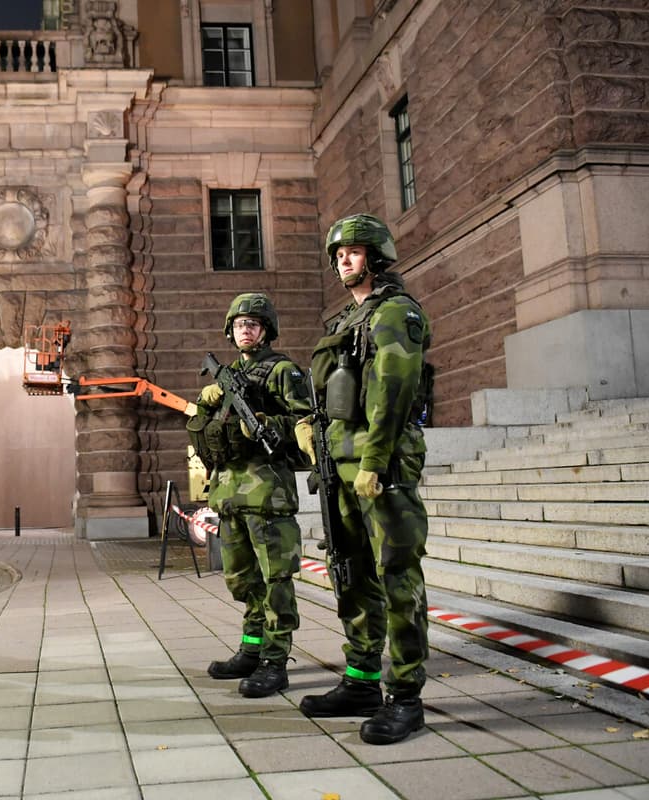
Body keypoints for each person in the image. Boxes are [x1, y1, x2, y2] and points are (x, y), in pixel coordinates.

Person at [296, 213, 433, 745]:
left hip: (382, 466)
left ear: (375, 256)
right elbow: (335, 396)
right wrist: (313, 431)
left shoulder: (396, 313)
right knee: (350, 573)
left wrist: (374, 461)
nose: (342, 260)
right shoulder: (343, 325)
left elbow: (394, 394)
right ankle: (360, 680)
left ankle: (406, 696)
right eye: (337, 254)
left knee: (397, 577)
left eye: (352, 252)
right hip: (341, 467)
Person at [188, 293, 311, 698]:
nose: (246, 329)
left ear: (267, 330)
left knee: (275, 581)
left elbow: (305, 423)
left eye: (254, 323)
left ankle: (276, 661)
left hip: (266, 494)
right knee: (243, 581)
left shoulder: (283, 371)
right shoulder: (225, 377)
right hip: (230, 493)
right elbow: (206, 433)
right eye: (240, 324)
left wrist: (265, 420)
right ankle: (252, 649)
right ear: (230, 330)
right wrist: (206, 406)